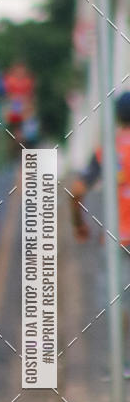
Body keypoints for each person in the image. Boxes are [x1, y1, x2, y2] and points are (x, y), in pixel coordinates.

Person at [70, 92, 130, 353]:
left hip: (118, 236)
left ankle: (121, 360)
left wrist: (79, 224)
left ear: (117, 117)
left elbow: (77, 191)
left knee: (119, 300)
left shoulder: (107, 151)